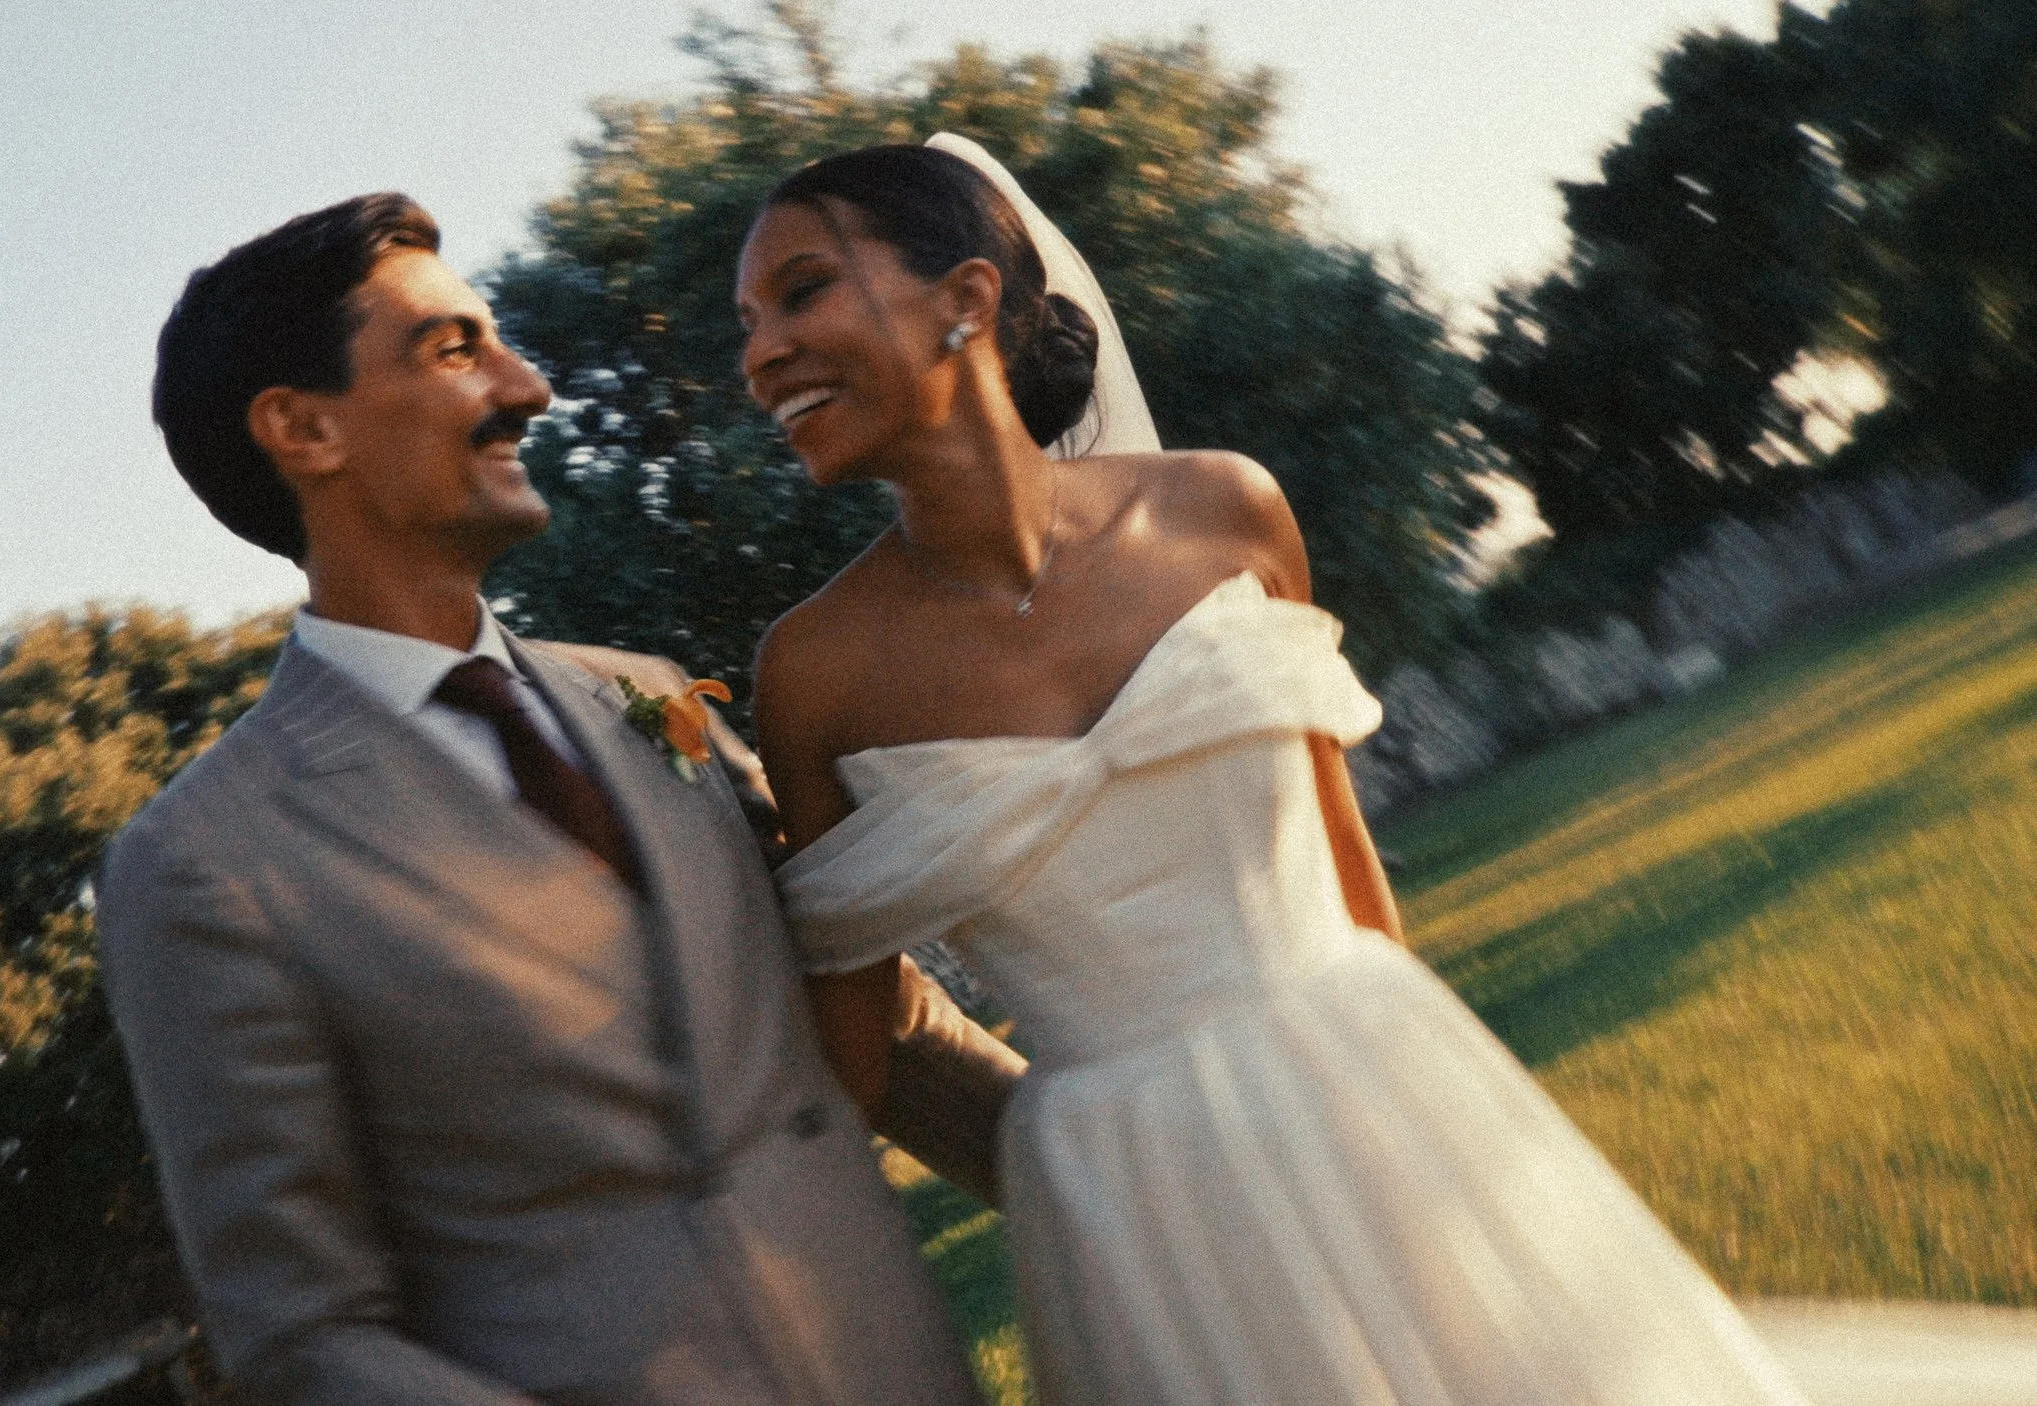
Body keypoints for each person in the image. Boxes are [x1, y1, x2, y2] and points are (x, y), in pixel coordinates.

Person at [738, 136, 1811, 1405]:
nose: (760, 355)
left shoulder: (1223, 510)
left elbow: (1340, 848)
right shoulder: (813, 676)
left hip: (1372, 1077)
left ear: (965, 297)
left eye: (800, 292)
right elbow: (849, 1065)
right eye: (746, 327)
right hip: (1123, 1199)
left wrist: (1418, 1133)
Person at [98, 191, 1022, 1405]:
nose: (527, 388)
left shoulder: (654, 699)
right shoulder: (205, 862)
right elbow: (305, 1334)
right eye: (453, 350)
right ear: (303, 429)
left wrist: (1147, 1175)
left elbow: (880, 1026)